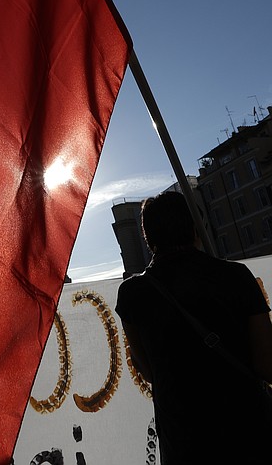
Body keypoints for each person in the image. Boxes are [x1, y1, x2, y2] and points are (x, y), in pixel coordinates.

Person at [116, 191, 272, 464]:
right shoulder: (236, 277)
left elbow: (147, 368)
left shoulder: (132, 293)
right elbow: (266, 363)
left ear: (147, 237)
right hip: (248, 433)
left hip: (184, 441)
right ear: (195, 227)